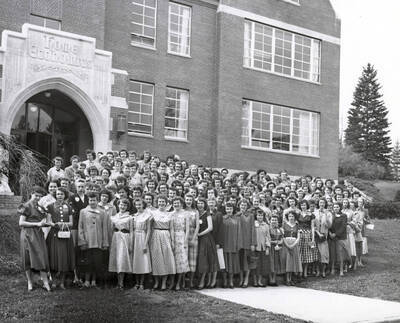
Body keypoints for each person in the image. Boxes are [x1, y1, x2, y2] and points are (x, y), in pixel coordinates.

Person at [18, 186, 51, 291]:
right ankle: (29, 282)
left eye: (40, 196)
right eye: (36, 195)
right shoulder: (26, 206)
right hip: (27, 234)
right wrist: (37, 224)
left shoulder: (40, 207)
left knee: (42, 256)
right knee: (27, 258)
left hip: (38, 234)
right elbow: (21, 223)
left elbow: (43, 222)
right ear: (31, 194)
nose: (37, 198)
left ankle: (45, 282)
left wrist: (48, 223)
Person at [78, 193, 109, 288]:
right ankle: (87, 280)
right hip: (88, 241)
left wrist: (105, 242)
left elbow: (104, 228)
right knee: (88, 262)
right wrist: (82, 241)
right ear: (88, 201)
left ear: (97, 200)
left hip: (98, 241)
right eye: (90, 200)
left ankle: (94, 281)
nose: (92, 202)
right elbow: (80, 227)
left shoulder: (102, 212)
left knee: (97, 262)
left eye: (94, 200)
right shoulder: (83, 211)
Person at [46, 187, 75, 289]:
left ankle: (62, 282)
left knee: (64, 259)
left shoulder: (69, 207)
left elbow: (71, 223)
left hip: (65, 235)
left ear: (65, 195)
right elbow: (49, 221)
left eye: (62, 194)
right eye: (58, 194)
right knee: (54, 258)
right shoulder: (50, 206)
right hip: (54, 234)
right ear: (55, 195)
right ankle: (54, 281)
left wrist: (62, 224)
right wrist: (55, 225)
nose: (60, 196)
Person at [149, 195, 176, 290]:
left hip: (166, 235)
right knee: (156, 258)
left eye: (163, 202)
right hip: (155, 235)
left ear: (166, 203)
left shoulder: (170, 214)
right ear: (157, 202)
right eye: (159, 202)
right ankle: (156, 282)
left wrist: (172, 241)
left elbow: (172, 229)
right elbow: (150, 227)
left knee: (166, 259)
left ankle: (164, 283)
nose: (161, 203)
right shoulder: (152, 213)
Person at [108, 198, 134, 289]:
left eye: (125, 205)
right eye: (121, 205)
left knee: (122, 259)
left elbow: (131, 231)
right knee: (116, 258)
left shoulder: (130, 217)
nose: (122, 207)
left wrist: (131, 244)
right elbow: (111, 230)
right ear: (118, 205)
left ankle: (121, 283)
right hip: (116, 238)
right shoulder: (114, 217)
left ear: (127, 207)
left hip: (125, 238)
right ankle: (117, 282)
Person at [196, 198, 219, 289]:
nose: (200, 205)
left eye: (202, 203)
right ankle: (202, 280)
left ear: (204, 204)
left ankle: (207, 281)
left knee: (207, 260)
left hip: (206, 239)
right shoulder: (196, 213)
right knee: (201, 261)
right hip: (198, 239)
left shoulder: (207, 214)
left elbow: (210, 228)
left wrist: (199, 234)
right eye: (198, 203)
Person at [217, 202, 241, 288]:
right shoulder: (222, 219)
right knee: (224, 264)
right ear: (225, 209)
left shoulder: (237, 219)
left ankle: (231, 281)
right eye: (227, 209)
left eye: (230, 209)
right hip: (224, 244)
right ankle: (224, 281)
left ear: (233, 209)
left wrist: (238, 244)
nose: (229, 210)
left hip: (233, 244)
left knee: (232, 264)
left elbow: (239, 232)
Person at [131, 198, 153, 289]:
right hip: (135, 237)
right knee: (136, 260)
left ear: (143, 205)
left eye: (140, 204)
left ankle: (142, 283)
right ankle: (136, 283)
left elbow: (148, 231)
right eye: (137, 205)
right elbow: (132, 229)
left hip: (143, 237)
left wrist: (145, 244)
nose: (138, 206)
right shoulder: (134, 216)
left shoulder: (147, 216)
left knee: (143, 260)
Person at [170, 197, 190, 290]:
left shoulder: (185, 214)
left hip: (182, 237)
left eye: (178, 203)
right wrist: (172, 241)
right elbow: (171, 228)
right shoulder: (171, 214)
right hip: (173, 237)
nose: (176, 205)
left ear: (181, 204)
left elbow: (187, 229)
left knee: (182, 261)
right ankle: (172, 282)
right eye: (174, 203)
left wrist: (185, 241)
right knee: (173, 260)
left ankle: (179, 283)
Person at [298, 200, 318, 278]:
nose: (303, 206)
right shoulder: (298, 214)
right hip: (300, 234)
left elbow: (312, 227)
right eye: (302, 205)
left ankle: (305, 272)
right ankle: (300, 271)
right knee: (300, 252)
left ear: (307, 206)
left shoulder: (311, 215)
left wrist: (312, 238)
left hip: (308, 234)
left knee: (307, 253)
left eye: (305, 205)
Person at [184, 194, 199, 288]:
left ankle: (191, 281)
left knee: (192, 259)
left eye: (190, 199)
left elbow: (197, 225)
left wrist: (194, 238)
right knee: (183, 257)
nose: (188, 201)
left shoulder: (195, 211)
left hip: (193, 234)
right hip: (183, 235)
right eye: (187, 199)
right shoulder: (182, 211)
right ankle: (183, 280)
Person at [282, 211, 302, 285]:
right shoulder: (284, 225)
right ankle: (287, 279)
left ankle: (291, 279)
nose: (291, 218)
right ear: (287, 217)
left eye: (292, 216)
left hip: (294, 244)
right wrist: (287, 245)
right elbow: (283, 236)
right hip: (286, 244)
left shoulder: (297, 225)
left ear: (295, 217)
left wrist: (293, 245)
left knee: (293, 262)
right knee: (287, 261)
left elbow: (298, 237)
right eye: (290, 216)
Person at [314, 198, 332, 277]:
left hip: (324, 235)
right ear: (318, 203)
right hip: (316, 234)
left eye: (323, 203)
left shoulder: (328, 213)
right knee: (317, 253)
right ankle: (318, 271)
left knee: (324, 254)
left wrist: (325, 215)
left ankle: (323, 271)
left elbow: (329, 225)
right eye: (320, 202)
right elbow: (313, 224)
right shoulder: (315, 212)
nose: (321, 204)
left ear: (325, 204)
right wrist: (317, 232)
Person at [329, 202, 348, 276]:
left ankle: (341, 270)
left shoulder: (344, 216)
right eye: (334, 207)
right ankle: (332, 268)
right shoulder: (332, 216)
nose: (335, 208)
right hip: (332, 237)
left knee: (340, 254)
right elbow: (330, 226)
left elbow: (343, 227)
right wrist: (330, 233)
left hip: (340, 237)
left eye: (337, 207)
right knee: (333, 254)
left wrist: (335, 234)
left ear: (340, 208)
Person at [253, 208, 271, 287]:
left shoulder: (266, 225)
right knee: (254, 265)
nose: (260, 217)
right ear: (256, 216)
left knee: (261, 265)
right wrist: (252, 245)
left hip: (263, 247)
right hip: (255, 247)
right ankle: (255, 281)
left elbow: (268, 237)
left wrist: (267, 247)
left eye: (261, 215)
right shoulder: (253, 224)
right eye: (258, 215)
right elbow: (252, 236)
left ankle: (259, 281)